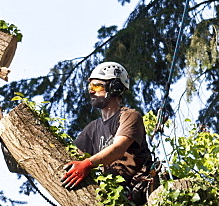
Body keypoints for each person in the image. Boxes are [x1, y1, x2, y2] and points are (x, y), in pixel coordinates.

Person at [61, 61, 153, 194]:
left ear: (114, 88)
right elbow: (72, 155)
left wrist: (88, 164)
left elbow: (118, 149)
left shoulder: (129, 116)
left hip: (135, 191)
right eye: (90, 87)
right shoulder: (92, 128)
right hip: (108, 191)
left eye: (97, 86)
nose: (91, 91)